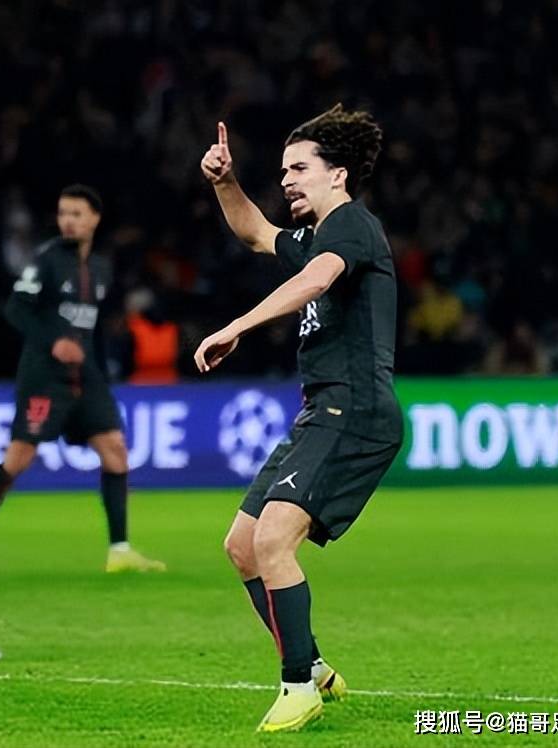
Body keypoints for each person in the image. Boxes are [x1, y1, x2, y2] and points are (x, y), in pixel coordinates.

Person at [196, 105, 403, 732]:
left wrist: (237, 325)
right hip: (322, 410)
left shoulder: (351, 227)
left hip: (355, 408)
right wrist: (224, 182)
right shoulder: (316, 235)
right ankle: (310, 665)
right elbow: (255, 232)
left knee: (273, 539)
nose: (286, 179)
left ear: (337, 175)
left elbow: (316, 280)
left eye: (299, 168)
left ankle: (296, 688)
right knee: (242, 547)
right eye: (283, 170)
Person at [0, 185, 165, 573]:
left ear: (95, 218)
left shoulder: (100, 267)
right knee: (18, 459)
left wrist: (102, 372)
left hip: (87, 378)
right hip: (44, 378)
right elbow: (16, 309)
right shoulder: (45, 260)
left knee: (115, 450)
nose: (68, 221)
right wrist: (54, 341)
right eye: (63, 213)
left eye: (76, 214)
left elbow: (94, 329)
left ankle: (119, 551)